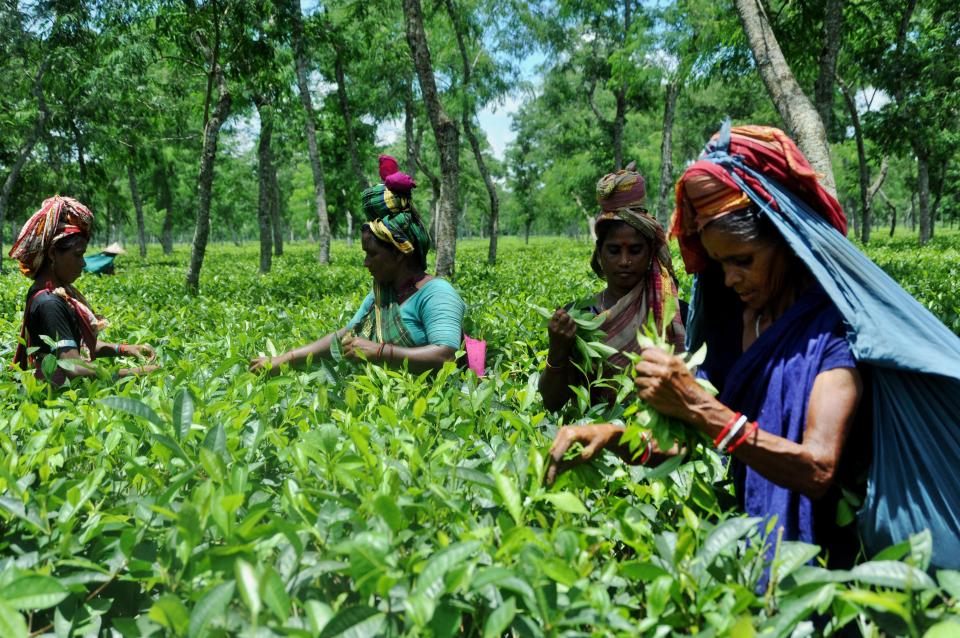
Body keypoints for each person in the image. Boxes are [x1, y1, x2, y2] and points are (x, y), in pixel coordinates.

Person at [547, 123, 960, 569]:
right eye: (720, 263)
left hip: (832, 563)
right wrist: (610, 438)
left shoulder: (832, 330)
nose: (730, 279)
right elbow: (690, 442)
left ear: (786, 243)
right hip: (756, 543)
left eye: (743, 261)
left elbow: (818, 468)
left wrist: (697, 406)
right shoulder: (730, 323)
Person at [250, 155, 465, 376]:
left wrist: (381, 352)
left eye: (372, 254)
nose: (366, 263)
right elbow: (345, 336)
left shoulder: (437, 294)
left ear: (400, 254)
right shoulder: (382, 292)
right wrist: (282, 360)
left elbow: (446, 355)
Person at [539, 162, 685, 412]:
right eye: (614, 251)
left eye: (635, 250)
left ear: (650, 253)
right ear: (600, 254)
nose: (625, 261)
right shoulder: (579, 316)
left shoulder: (673, 313)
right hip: (595, 437)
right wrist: (558, 348)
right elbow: (552, 402)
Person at [9, 195, 159, 383]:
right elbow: (74, 366)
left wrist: (124, 349)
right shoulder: (49, 303)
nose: (83, 263)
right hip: (57, 399)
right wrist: (136, 373)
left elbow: (72, 346)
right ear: (53, 253)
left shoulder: (48, 293)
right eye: (78, 255)